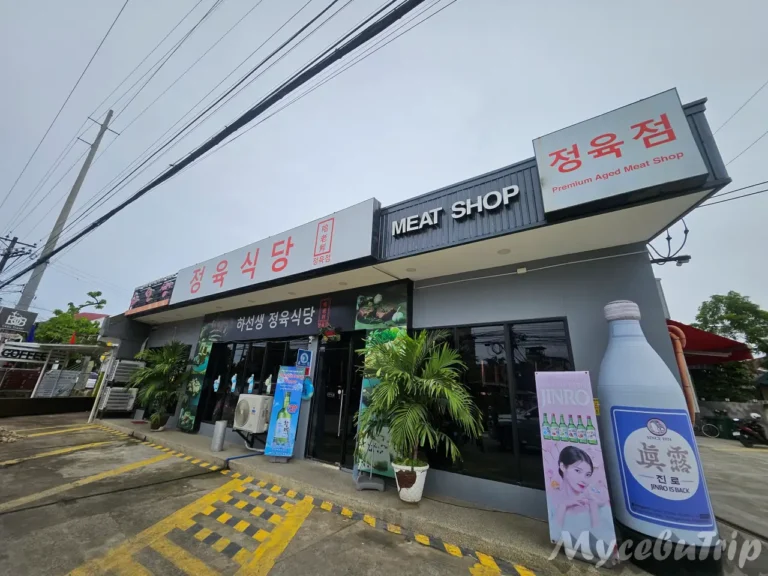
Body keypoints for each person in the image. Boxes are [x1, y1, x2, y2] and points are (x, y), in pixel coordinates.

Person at [550, 446, 613, 544]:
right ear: (563, 467)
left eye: (587, 475)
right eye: (578, 471)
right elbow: (555, 535)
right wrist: (563, 506)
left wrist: (594, 507)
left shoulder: (592, 502)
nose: (584, 479)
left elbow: (601, 540)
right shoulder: (553, 499)